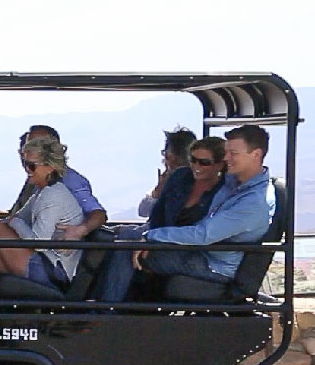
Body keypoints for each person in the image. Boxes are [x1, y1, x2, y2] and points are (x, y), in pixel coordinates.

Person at [97, 125, 275, 301]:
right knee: (119, 240)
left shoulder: (253, 202)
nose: (227, 158)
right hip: (205, 252)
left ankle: (103, 314)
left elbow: (202, 235)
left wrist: (150, 236)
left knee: (126, 248)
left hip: (212, 264)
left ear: (256, 155)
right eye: (226, 152)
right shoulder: (235, 182)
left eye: (233, 153)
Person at [94, 136, 226, 301]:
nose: (196, 166)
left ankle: (105, 308)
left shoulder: (224, 191)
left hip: (190, 247)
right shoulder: (181, 177)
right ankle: (97, 302)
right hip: (162, 238)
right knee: (110, 238)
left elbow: (202, 232)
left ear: (220, 165)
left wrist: (154, 239)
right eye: (193, 160)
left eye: (204, 162)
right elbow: (157, 214)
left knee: (126, 244)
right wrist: (152, 239)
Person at [0, 136, 85, 300]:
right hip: (41, 262)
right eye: (25, 164)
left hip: (53, 270)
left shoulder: (53, 196)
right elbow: (16, 218)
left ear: (49, 167)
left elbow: (38, 242)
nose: (27, 170)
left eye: (31, 166)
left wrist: (15, 222)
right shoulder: (41, 192)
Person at [138, 127, 198, 218]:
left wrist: (159, 189)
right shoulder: (168, 179)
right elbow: (143, 211)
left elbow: (144, 211)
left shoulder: (192, 184)